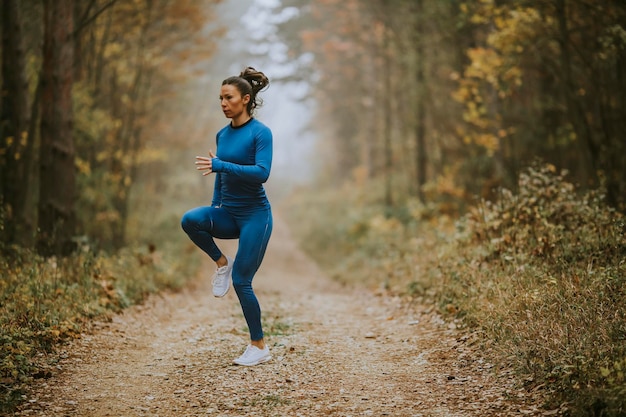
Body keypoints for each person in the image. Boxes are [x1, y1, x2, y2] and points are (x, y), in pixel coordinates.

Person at [181, 67, 273, 366]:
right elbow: (220, 176)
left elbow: (261, 173)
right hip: (229, 213)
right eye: (220, 98)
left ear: (245, 99)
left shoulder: (261, 133)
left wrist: (221, 165)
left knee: (242, 281)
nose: (223, 103)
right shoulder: (222, 134)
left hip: (255, 217)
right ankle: (222, 262)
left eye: (228, 97)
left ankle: (258, 346)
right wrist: (215, 204)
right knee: (190, 219)